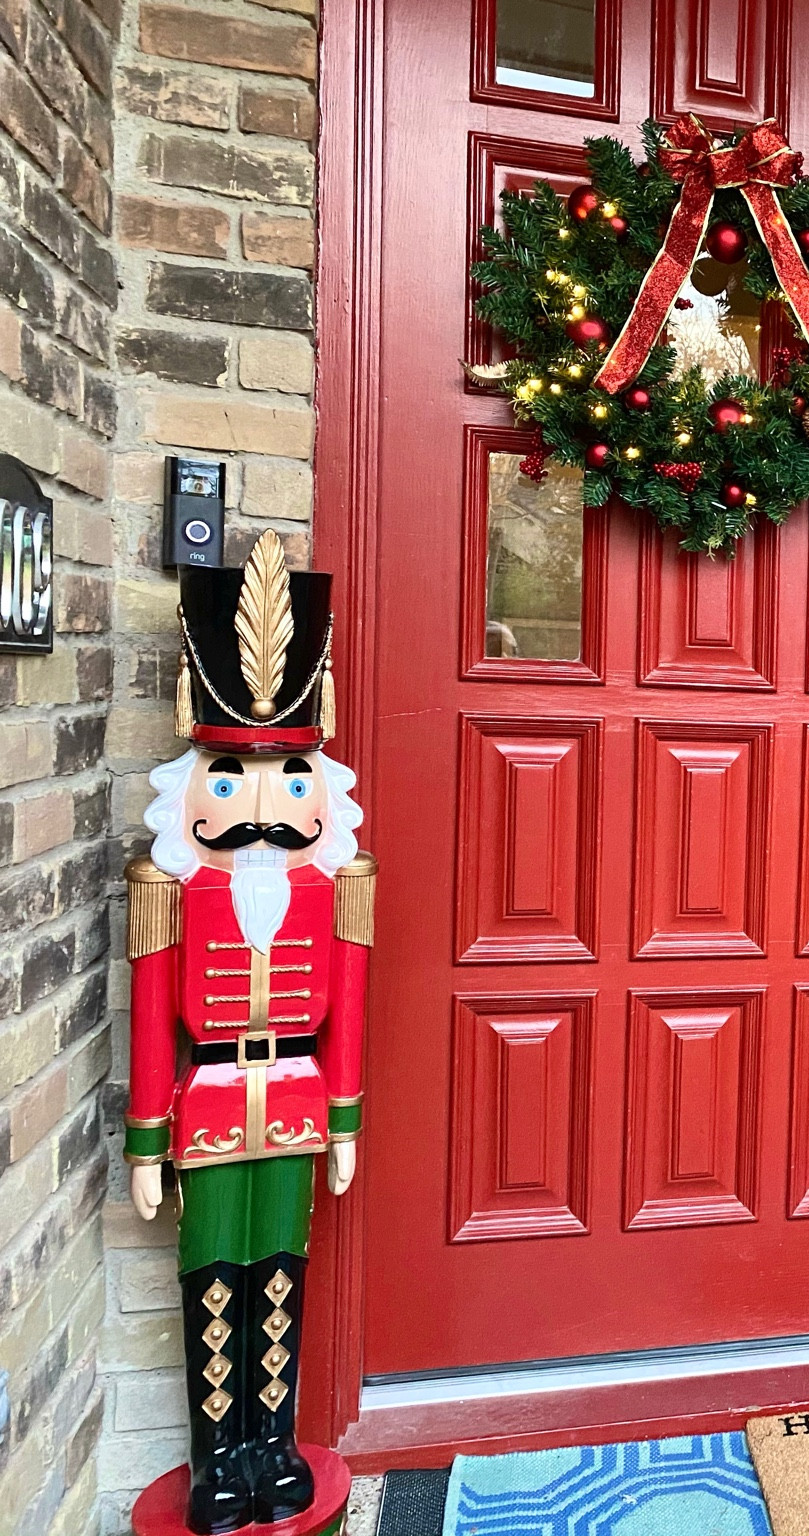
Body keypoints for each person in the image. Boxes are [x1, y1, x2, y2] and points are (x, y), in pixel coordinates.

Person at [125, 532, 373, 1532]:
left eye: (290, 779)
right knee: (211, 1272)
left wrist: (345, 1124)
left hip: (299, 1098)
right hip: (213, 1102)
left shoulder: (336, 888)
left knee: (281, 1267)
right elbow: (154, 1020)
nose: (261, 809)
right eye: (229, 780)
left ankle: (272, 1444)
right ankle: (215, 1458)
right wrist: (147, 1142)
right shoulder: (170, 891)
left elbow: (348, 1009)